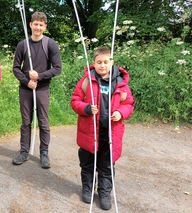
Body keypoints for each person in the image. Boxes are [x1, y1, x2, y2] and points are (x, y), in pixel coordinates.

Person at [70, 47, 135, 210]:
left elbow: (128, 104)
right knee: (87, 164)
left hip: (110, 134)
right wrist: (85, 108)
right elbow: (75, 100)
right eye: (99, 62)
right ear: (94, 63)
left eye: (106, 62)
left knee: (106, 166)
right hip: (89, 132)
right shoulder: (86, 81)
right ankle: (88, 188)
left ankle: (105, 193)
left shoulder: (120, 83)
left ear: (111, 63)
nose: (103, 66)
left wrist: (120, 112)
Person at [12, 11, 62, 169]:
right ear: (30, 25)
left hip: (42, 89)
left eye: (41, 25)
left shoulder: (50, 44)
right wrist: (27, 82)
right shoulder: (23, 45)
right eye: (35, 24)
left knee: (44, 122)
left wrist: (39, 76)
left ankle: (44, 153)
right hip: (26, 89)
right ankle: (24, 151)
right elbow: (15, 68)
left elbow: (57, 69)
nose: (38, 27)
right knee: (26, 122)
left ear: (45, 26)